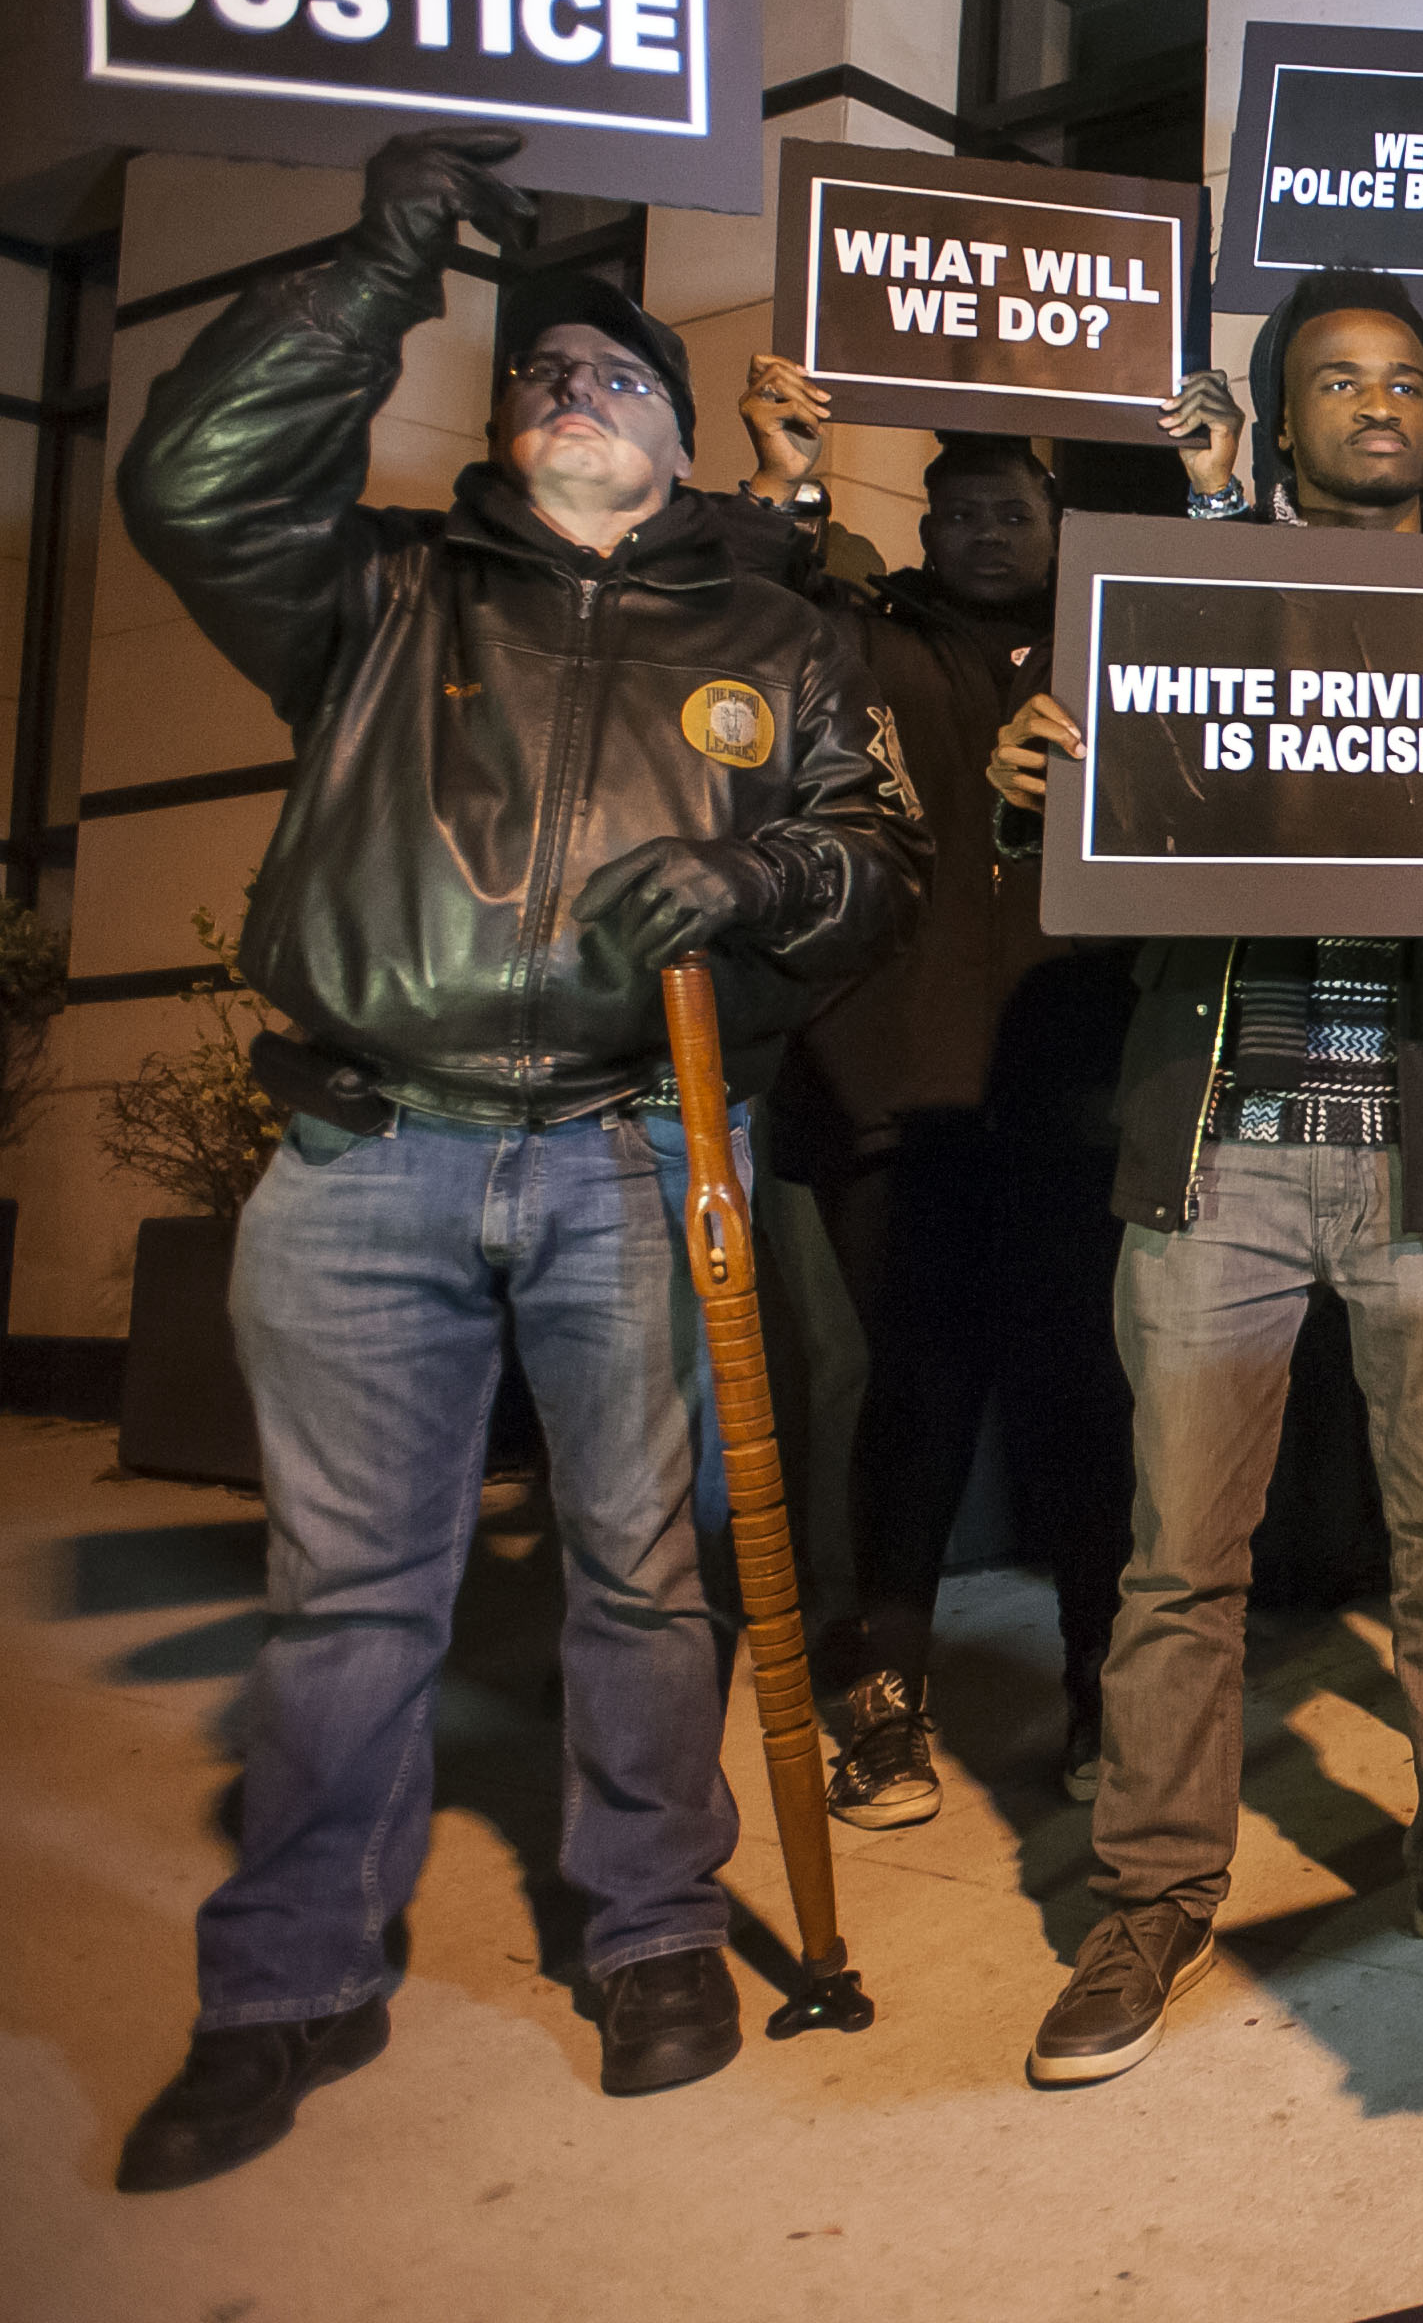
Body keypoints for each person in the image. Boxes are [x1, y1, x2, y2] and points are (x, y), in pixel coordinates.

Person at [104, 127, 927, 2189]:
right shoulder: (380, 592)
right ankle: (289, 1980)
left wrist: (760, 875)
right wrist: (374, 268)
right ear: (498, 428)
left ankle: (651, 1928)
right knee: (348, 1597)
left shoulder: (777, 632)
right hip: (368, 1154)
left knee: (648, 1573)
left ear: (677, 435)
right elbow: (189, 479)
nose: (577, 390)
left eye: (620, 374)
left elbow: (881, 855)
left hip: (640, 1155)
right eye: (545, 373)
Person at [990, 268, 1423, 2088]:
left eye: (1407, 379)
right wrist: (1027, 785)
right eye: (1340, 379)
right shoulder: (1192, 603)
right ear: (1283, 417)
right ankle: (1150, 1897)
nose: (1379, 402)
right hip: (1224, 1153)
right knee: (1180, 1562)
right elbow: (1083, 828)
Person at [731, 360, 1142, 1822]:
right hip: (893, 1088)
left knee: (1082, 1396)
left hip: (1073, 1087)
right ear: (923, 528)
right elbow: (734, 650)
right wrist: (784, 485)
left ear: (1057, 521)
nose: (984, 532)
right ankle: (885, 1697)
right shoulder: (858, 635)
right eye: (959, 512)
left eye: (1010, 509)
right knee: (910, 1393)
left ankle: (1101, 1693)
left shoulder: (1124, 648)